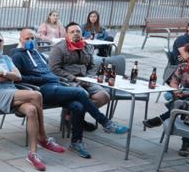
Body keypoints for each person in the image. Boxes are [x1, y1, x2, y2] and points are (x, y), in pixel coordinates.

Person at [11, 29, 128, 158]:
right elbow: (19, 78)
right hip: (41, 89)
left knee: (78, 106)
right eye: (27, 39)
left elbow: (49, 71)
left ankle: (76, 142)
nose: (30, 41)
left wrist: (56, 79)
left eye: (32, 38)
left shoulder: (37, 53)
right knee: (79, 92)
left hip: (56, 85)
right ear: (20, 40)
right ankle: (105, 122)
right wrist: (42, 79)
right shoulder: (17, 56)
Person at [0, 32, 65, 171]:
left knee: (31, 110)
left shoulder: (6, 58)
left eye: (0, 40)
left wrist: (3, 73)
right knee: (36, 95)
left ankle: (33, 154)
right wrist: (7, 75)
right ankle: (43, 137)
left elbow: (18, 77)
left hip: (13, 92)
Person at [49, 22, 111, 115]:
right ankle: (76, 120)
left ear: (82, 33)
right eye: (72, 32)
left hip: (86, 79)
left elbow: (92, 66)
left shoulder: (87, 46)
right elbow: (54, 69)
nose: (75, 33)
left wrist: (89, 77)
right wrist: (73, 78)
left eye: (78, 31)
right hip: (67, 80)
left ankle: (74, 116)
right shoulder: (58, 48)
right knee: (84, 95)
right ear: (67, 34)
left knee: (104, 96)